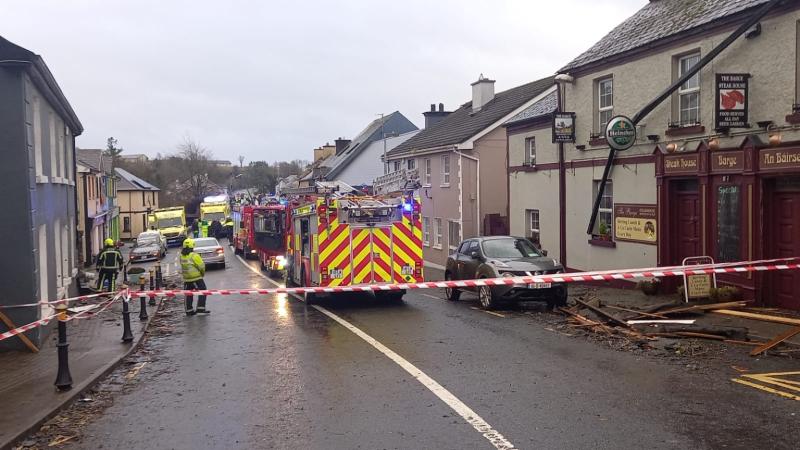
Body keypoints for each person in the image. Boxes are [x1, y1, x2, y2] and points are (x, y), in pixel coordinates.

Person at [180, 238, 209, 315]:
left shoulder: (182, 256)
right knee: (203, 290)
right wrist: (202, 274)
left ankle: (189, 311)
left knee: (188, 294)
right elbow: (202, 266)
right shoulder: (194, 256)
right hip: (196, 278)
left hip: (186, 279)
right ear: (192, 246)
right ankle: (200, 308)